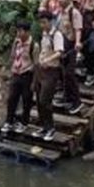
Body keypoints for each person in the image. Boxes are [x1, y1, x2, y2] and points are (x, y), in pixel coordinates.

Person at [33, 11, 65, 140]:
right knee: (39, 101)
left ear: (51, 21)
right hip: (41, 70)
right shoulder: (44, 34)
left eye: (44, 22)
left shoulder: (56, 35)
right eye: (40, 22)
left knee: (45, 100)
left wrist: (48, 60)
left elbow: (59, 52)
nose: (42, 25)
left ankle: (50, 128)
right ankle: (43, 126)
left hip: (51, 71)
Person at [53, 0, 84, 115]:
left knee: (69, 74)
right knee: (62, 72)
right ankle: (66, 98)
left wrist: (77, 42)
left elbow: (78, 29)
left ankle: (77, 102)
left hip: (71, 45)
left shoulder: (74, 13)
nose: (60, 0)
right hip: (62, 45)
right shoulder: (60, 12)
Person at [1, 22, 35, 133]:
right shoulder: (16, 42)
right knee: (12, 98)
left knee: (26, 99)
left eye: (21, 31)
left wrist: (34, 80)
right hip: (16, 72)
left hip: (27, 74)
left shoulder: (34, 45)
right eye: (18, 31)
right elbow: (12, 56)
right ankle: (9, 121)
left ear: (27, 32)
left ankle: (24, 122)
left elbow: (36, 63)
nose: (18, 33)